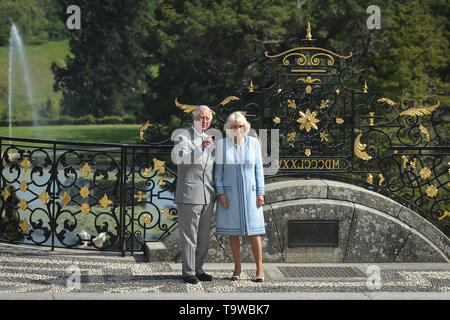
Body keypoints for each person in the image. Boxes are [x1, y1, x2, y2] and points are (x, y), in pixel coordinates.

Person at [214, 111, 266, 282]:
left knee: (255, 232)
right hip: (230, 194)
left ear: (245, 127)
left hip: (251, 194)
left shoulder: (253, 143)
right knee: (233, 233)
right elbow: (218, 173)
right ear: (229, 128)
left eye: (240, 126)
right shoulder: (222, 145)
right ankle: (237, 268)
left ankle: (260, 269)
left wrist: (260, 192)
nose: (237, 129)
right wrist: (220, 192)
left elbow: (259, 169)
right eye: (234, 127)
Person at [172, 105, 216, 284]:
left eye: (207, 119)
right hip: (189, 195)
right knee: (189, 236)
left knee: (203, 237)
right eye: (201, 118)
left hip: (207, 195)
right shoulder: (183, 136)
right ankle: (189, 272)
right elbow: (181, 159)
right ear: (194, 119)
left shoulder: (210, 138)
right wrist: (200, 148)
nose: (204, 121)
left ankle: (199, 268)